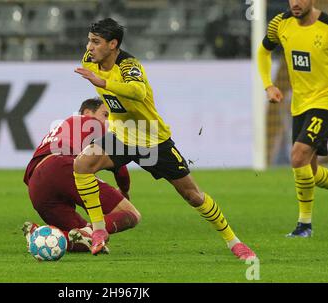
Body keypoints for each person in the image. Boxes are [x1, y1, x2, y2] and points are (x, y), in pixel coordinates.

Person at [73, 18, 256, 259]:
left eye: (96, 42)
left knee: (193, 196)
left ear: (113, 44)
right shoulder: (90, 60)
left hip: (153, 141)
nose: (89, 47)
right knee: (83, 165)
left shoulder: (129, 66)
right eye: (89, 41)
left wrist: (104, 82)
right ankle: (98, 231)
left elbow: (137, 92)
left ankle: (235, 243)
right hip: (123, 135)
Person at [22, 98, 141, 252]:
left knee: (83, 240)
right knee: (132, 214)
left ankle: (37, 236)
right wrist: (124, 190)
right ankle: (87, 232)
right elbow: (120, 168)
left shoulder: (63, 129)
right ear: (87, 113)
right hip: (62, 167)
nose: (109, 122)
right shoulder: (92, 124)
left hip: (36, 185)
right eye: (106, 115)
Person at [257, 0, 328, 237]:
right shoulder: (281, 23)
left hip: (325, 103)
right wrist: (268, 85)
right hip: (300, 106)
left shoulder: (327, 27)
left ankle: (304, 225)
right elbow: (263, 51)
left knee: (297, 156)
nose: (296, 3)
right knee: (313, 173)